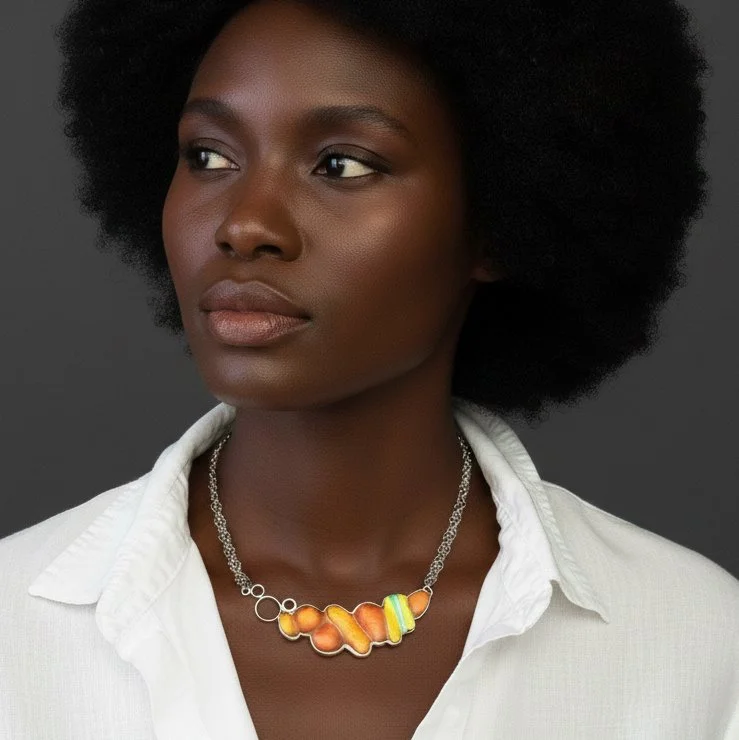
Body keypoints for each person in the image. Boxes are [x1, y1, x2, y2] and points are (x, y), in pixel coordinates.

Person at [1, 0, 737, 737]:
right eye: (209, 157)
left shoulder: (694, 645)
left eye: (341, 165)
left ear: (495, 222)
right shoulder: (16, 629)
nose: (244, 225)